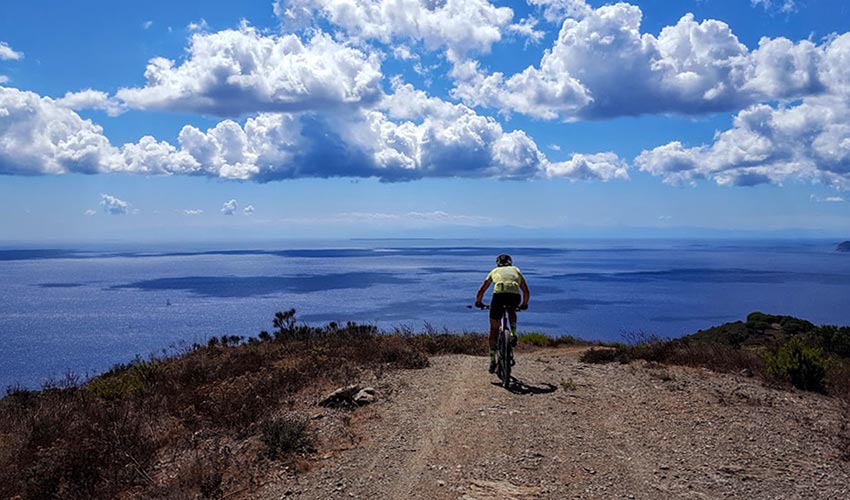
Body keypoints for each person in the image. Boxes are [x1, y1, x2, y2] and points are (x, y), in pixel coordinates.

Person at [475, 254, 530, 373]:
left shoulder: (494, 271)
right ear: (510, 262)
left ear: (497, 263)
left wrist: (478, 302)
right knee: (512, 310)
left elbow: (482, 290)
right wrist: (524, 304)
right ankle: (513, 333)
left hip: (498, 297)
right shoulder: (516, 270)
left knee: (494, 329)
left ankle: (492, 360)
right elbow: (525, 291)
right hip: (514, 297)